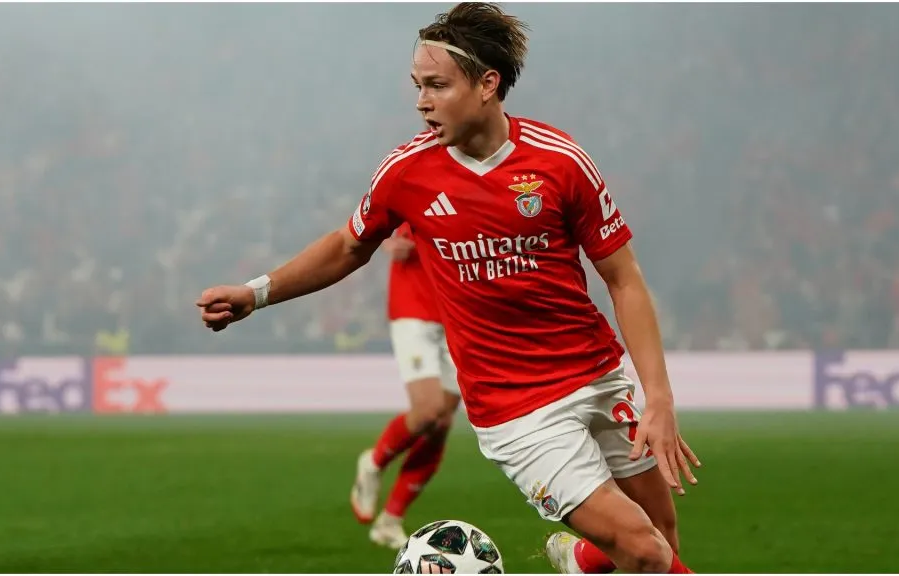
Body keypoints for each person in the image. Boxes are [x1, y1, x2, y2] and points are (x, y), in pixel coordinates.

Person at [196, 3, 700, 573]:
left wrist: (658, 398)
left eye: (436, 85)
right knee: (640, 549)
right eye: (417, 85)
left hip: (596, 371)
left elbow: (623, 278)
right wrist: (256, 292)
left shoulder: (560, 162)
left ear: (488, 84)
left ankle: (583, 561)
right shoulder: (408, 171)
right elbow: (347, 245)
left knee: (662, 537)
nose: (421, 101)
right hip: (515, 409)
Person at [351, 222, 462, 549]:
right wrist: (396, 239)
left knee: (441, 424)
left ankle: (390, 520)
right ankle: (373, 462)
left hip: (456, 315)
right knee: (428, 411)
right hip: (414, 311)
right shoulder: (418, 179)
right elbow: (389, 223)